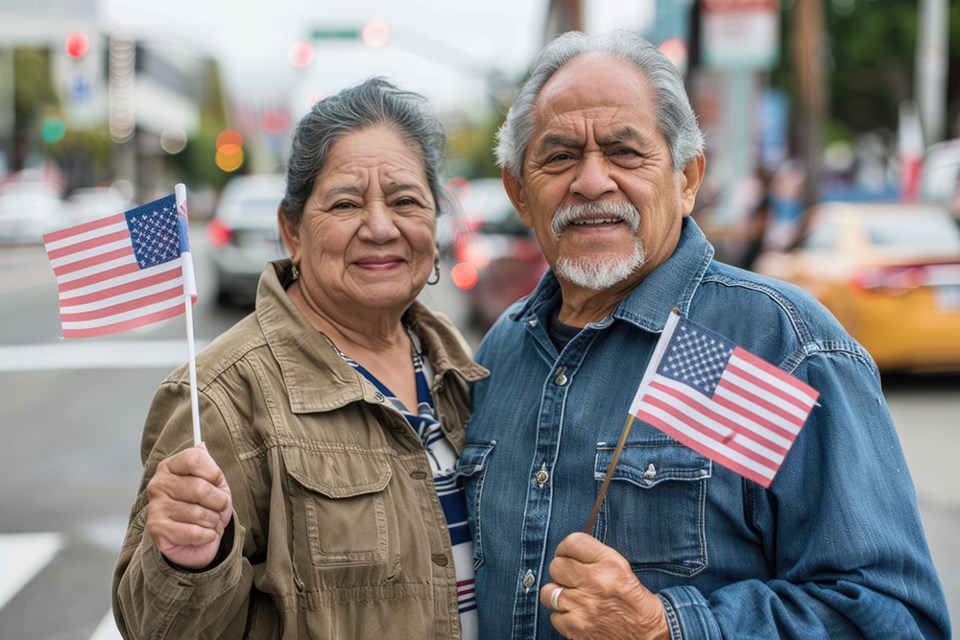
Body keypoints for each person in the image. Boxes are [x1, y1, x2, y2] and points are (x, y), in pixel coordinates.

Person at [460, 30, 951, 639]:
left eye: (625, 152)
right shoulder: (501, 353)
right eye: (559, 156)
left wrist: (666, 626)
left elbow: (896, 619)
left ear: (688, 178)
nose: (591, 181)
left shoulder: (776, 347)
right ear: (519, 192)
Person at [112, 77, 488, 639]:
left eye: (406, 200)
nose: (381, 227)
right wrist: (186, 560)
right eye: (345, 202)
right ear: (293, 231)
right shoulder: (221, 395)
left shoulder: (463, 368)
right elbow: (156, 629)